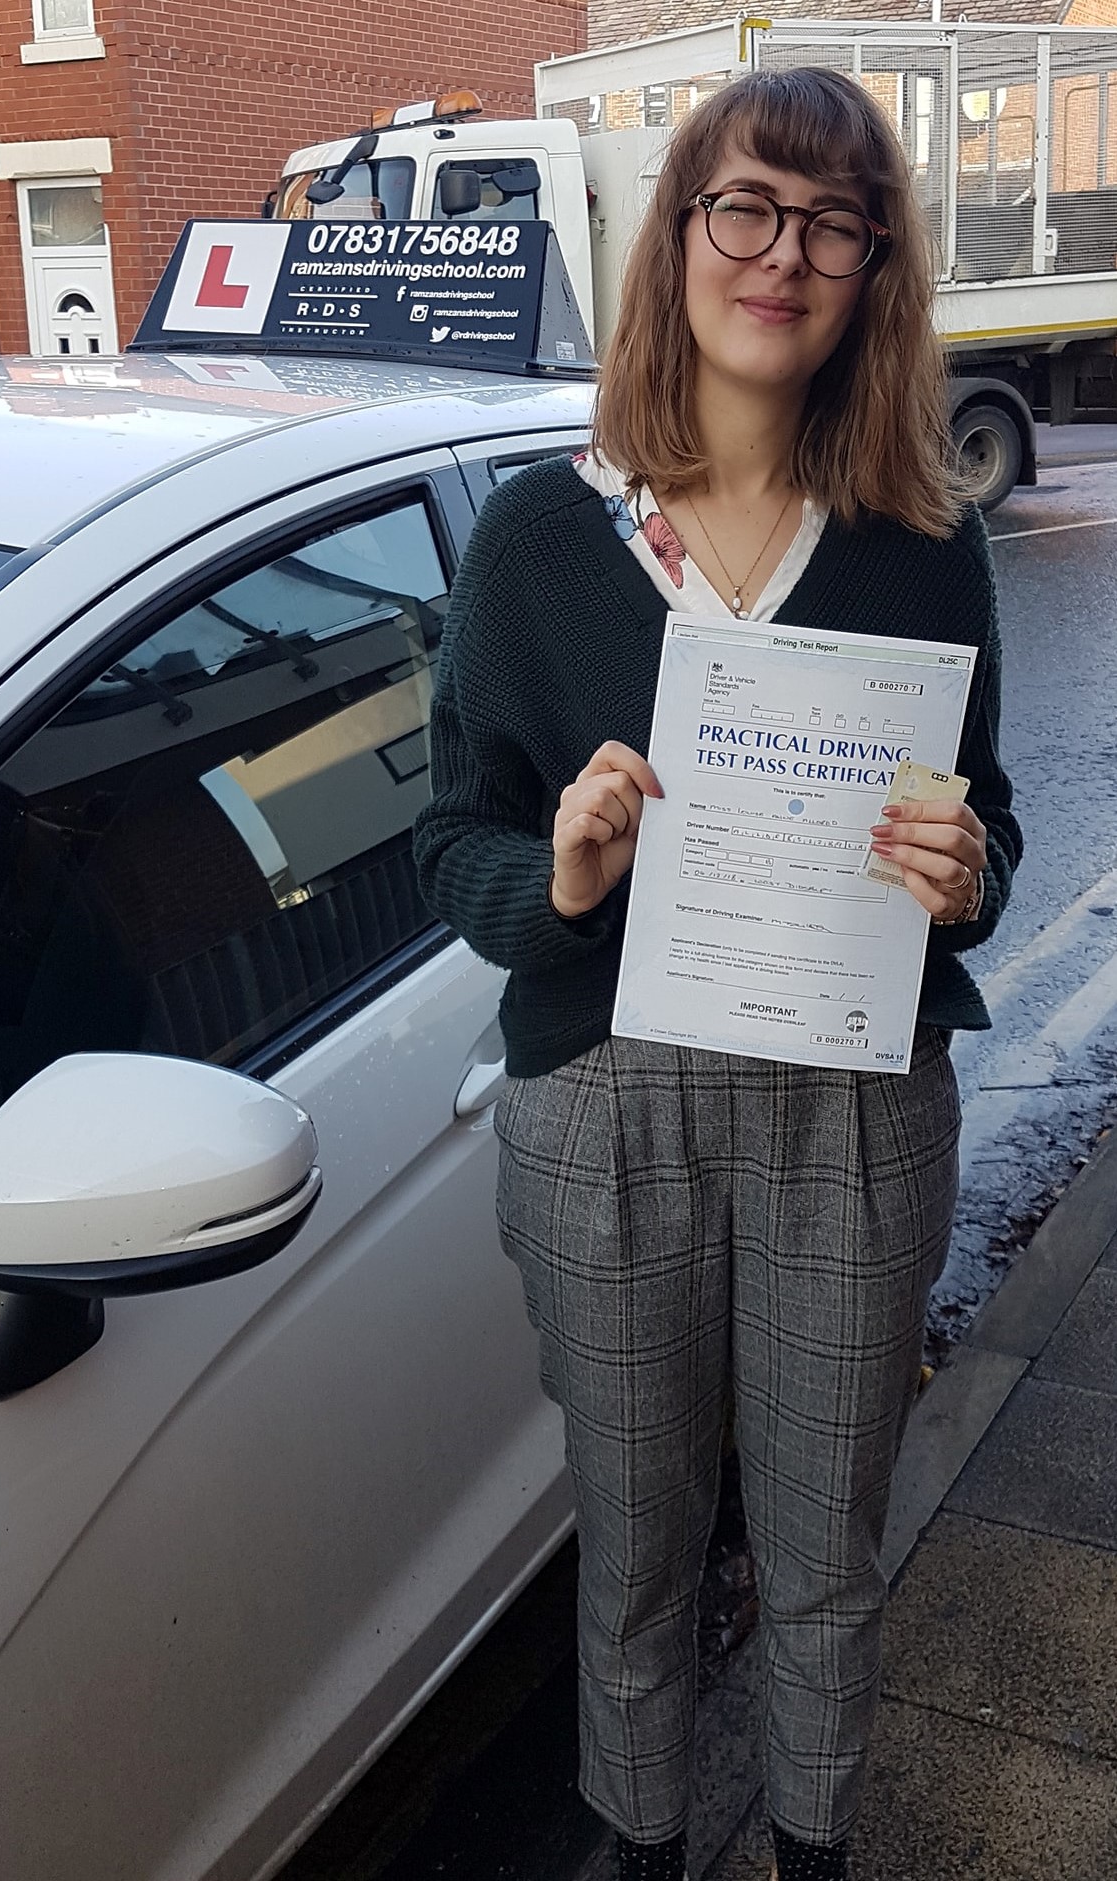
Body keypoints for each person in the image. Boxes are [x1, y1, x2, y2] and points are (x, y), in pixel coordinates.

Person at [413, 67, 1022, 1881]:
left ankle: (817, 1842)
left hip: (851, 1101)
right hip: (610, 1108)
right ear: (678, 235)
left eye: (838, 223)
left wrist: (969, 872)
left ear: (875, 273)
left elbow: (983, 814)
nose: (788, 253)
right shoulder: (542, 539)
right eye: (747, 207)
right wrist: (564, 872)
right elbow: (455, 841)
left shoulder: (925, 545)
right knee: (638, 1541)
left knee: (828, 1543)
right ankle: (643, 1835)